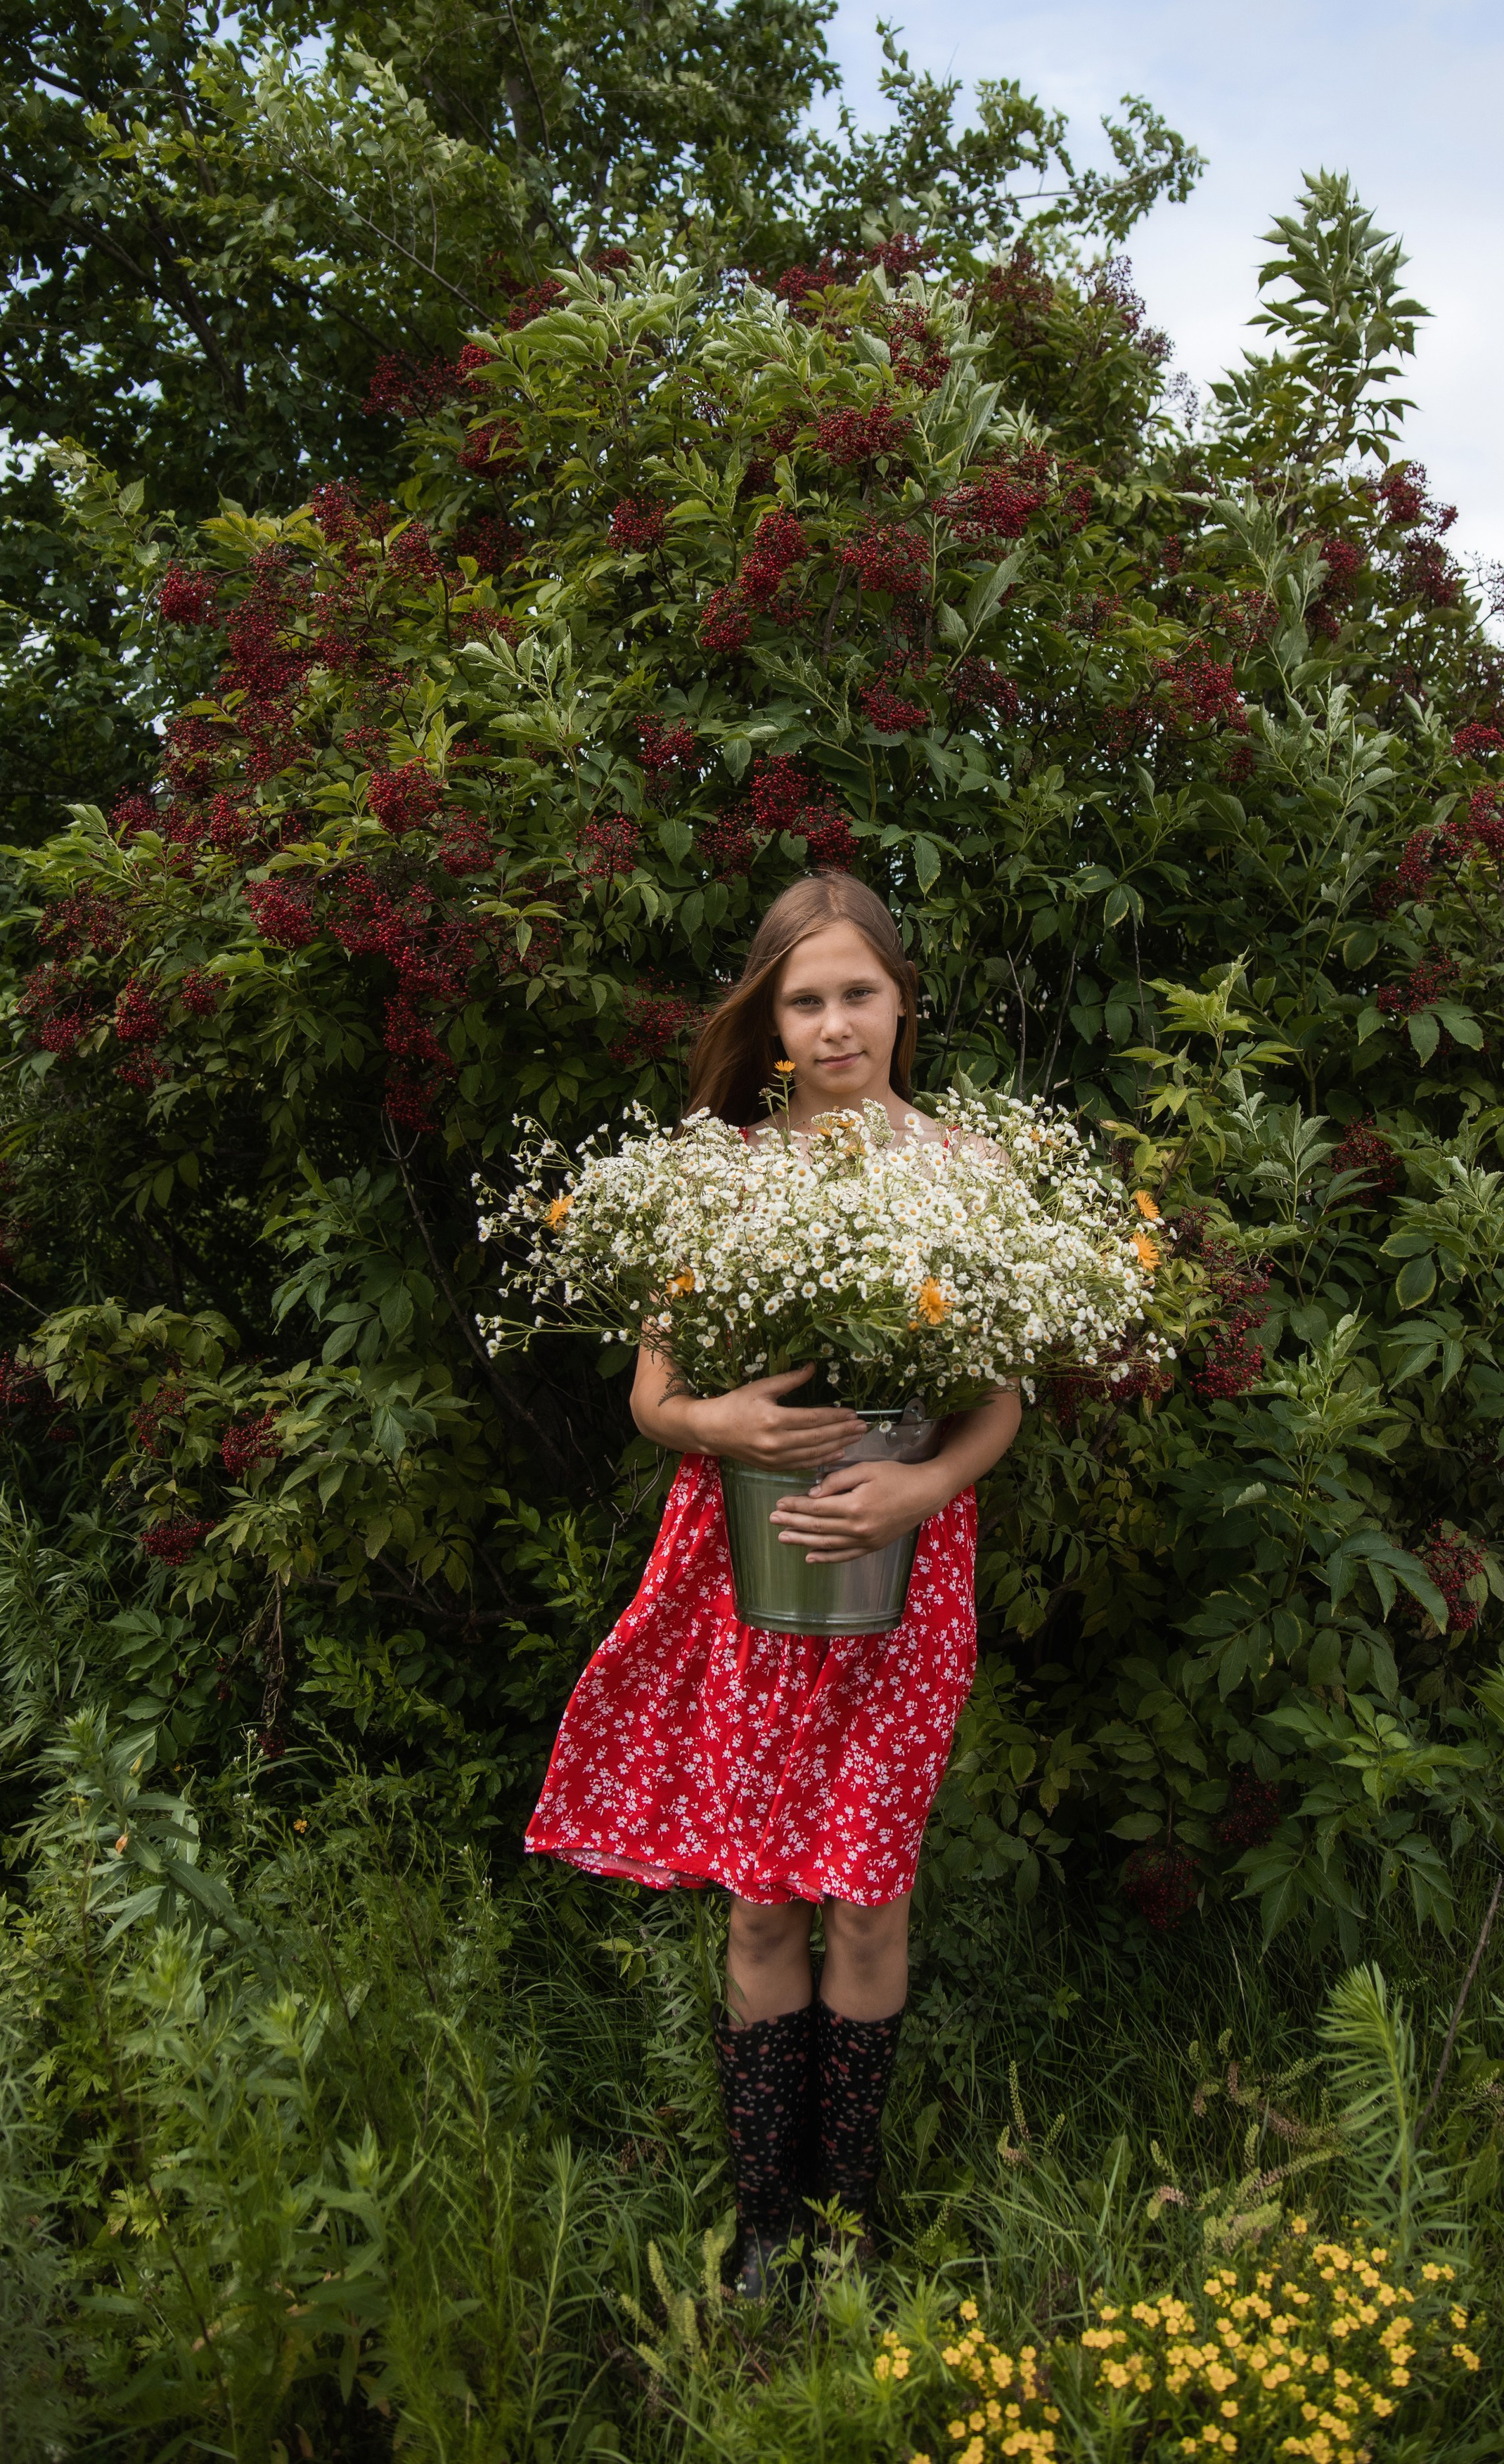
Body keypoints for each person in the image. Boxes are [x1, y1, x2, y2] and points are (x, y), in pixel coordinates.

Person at [524, 873, 1020, 2292]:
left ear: (899, 1002)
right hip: (742, 1571)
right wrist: (717, 1424)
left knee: (866, 1895)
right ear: (771, 1021)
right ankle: (763, 2225)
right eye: (804, 999)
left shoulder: (963, 1171)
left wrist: (925, 1484)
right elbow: (652, 1397)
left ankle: (848, 2218)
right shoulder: (724, 1174)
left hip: (902, 1581)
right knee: (759, 1898)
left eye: (857, 990)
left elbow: (999, 1404)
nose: (834, 1021)